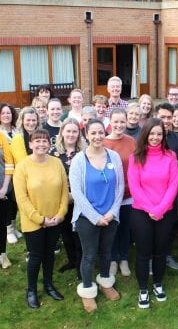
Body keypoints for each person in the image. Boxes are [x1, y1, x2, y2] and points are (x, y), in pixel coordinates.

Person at [69, 119, 124, 313]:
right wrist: (95, 217)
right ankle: (87, 290)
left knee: (107, 252)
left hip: (110, 216)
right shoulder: (78, 161)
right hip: (87, 217)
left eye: (100, 132)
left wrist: (111, 213)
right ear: (86, 135)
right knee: (89, 254)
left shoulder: (114, 157)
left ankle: (105, 283)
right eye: (93, 133)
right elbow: (76, 193)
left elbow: (120, 187)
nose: (97, 136)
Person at [13, 129, 69, 309]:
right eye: (37, 141)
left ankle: (48, 284)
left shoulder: (57, 163)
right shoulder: (22, 166)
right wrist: (40, 219)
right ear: (30, 144)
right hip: (34, 222)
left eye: (44, 141)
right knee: (36, 257)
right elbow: (21, 198)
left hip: (54, 219)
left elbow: (64, 192)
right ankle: (31, 291)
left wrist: (60, 215)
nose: (41, 144)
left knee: (49, 255)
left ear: (49, 144)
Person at [128, 118, 178, 308]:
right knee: (143, 253)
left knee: (160, 252)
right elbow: (135, 187)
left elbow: (173, 185)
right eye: (152, 134)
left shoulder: (170, 156)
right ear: (145, 135)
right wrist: (151, 209)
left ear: (163, 136)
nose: (155, 137)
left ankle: (157, 283)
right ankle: (143, 289)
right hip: (142, 212)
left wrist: (160, 209)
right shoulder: (136, 157)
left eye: (159, 134)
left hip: (165, 213)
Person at [104, 108, 136, 277]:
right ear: (110, 121)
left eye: (122, 121)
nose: (119, 125)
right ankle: (112, 259)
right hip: (109, 196)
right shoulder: (103, 142)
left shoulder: (131, 141)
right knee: (112, 229)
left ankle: (124, 258)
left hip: (128, 194)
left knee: (124, 228)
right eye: (115, 121)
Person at [51, 118, 84, 277]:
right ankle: (71, 260)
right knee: (65, 233)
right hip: (61, 200)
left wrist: (75, 195)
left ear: (78, 134)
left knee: (78, 233)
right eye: (68, 131)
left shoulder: (84, 152)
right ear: (62, 132)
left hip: (80, 200)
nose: (71, 134)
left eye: (74, 131)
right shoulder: (53, 153)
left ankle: (80, 264)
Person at [155, 102, 178, 269]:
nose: (166, 121)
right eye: (162, 117)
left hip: (172, 193)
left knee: (169, 228)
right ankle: (154, 258)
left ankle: (166, 255)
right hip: (153, 193)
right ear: (155, 117)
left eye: (169, 117)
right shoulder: (149, 139)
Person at [0, 103, 21, 244]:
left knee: (15, 202)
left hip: (18, 171)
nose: (6, 115)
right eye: (3, 113)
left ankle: (13, 226)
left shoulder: (17, 131)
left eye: (8, 113)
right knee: (7, 201)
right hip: (5, 172)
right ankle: (8, 230)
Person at [0, 130, 14, 268]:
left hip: (1, 190)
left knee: (1, 225)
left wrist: (4, 188)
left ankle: (2, 255)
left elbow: (9, 163)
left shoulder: (1, 136)